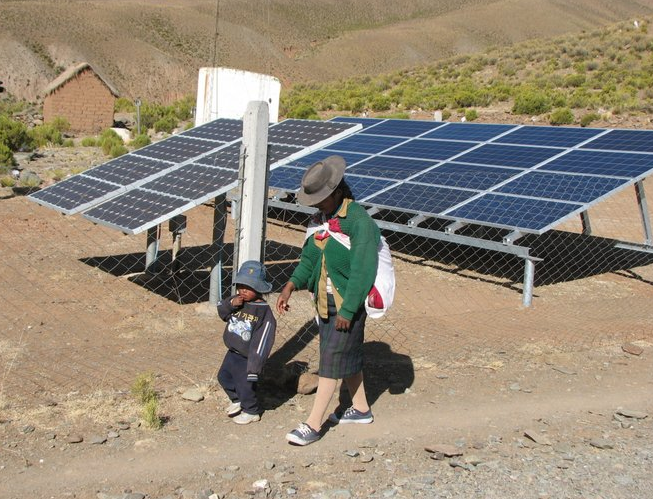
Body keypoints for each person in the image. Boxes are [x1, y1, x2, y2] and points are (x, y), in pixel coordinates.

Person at [276, 155, 380, 446]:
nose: (317, 205)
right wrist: (289, 286)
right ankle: (360, 409)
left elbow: (363, 269)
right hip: (324, 304)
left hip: (348, 307)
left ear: (336, 192)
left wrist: (349, 309)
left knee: (331, 362)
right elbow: (309, 259)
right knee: (344, 358)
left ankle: (313, 424)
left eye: (321, 199)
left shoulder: (359, 222)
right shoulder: (320, 220)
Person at [217, 260, 276, 425]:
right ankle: (236, 400)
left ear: (259, 289)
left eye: (249, 287)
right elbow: (222, 312)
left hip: (248, 357)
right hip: (232, 352)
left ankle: (252, 411)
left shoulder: (263, 311)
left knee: (246, 385)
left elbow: (263, 340)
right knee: (223, 377)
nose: (243, 290)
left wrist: (255, 365)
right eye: (241, 285)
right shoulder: (237, 301)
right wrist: (230, 304)